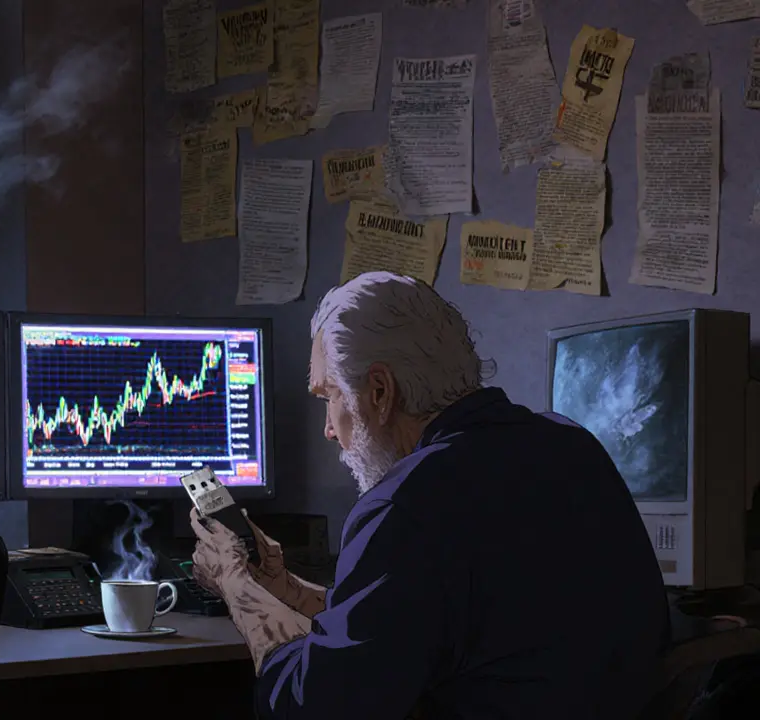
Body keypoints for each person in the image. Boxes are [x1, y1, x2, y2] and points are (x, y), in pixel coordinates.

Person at [190, 271, 670, 719]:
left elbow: (314, 705)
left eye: (328, 396)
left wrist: (235, 583)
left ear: (380, 392)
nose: (328, 430)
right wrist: (287, 590)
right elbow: (405, 620)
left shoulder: (406, 505)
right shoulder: (571, 445)